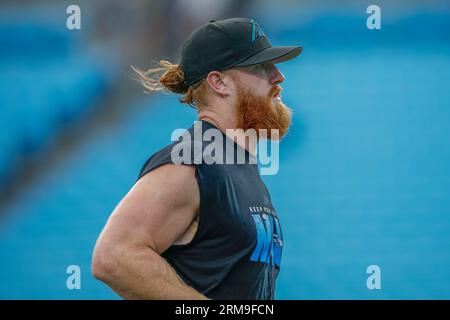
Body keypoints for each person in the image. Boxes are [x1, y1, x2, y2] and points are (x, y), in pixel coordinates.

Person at [92, 17, 302, 300]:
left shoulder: (236, 164)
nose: (278, 76)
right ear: (219, 82)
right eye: (260, 66)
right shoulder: (191, 159)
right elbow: (113, 255)